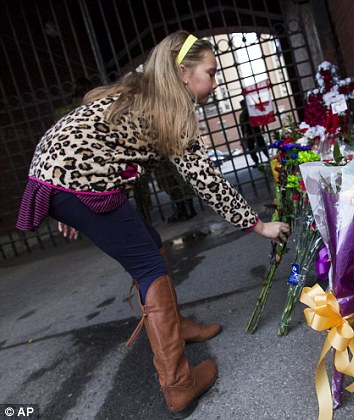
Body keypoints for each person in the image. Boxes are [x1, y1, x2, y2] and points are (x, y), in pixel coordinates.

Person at [16, 31, 289, 419]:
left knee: (148, 240)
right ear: (182, 72)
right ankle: (178, 384)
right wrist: (258, 226)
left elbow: (76, 140)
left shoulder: (139, 94)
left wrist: (62, 199)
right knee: (148, 265)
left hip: (56, 176)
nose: (215, 82)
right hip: (73, 181)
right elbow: (207, 181)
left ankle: (176, 325)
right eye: (210, 73)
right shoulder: (171, 110)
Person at [239, 98, 270, 166]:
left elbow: (242, 126)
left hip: (254, 131)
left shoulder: (248, 113)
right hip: (251, 132)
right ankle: (258, 161)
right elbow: (242, 126)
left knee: (259, 146)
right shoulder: (248, 113)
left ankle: (260, 160)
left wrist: (262, 127)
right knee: (255, 147)